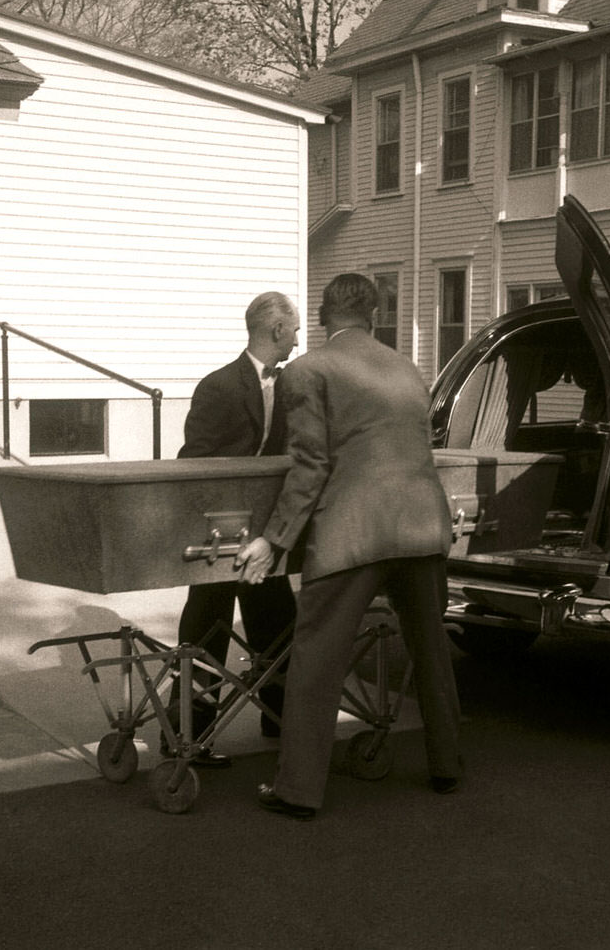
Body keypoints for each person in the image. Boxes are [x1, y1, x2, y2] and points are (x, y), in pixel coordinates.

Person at [236, 273, 464, 819]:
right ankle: (447, 766)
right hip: (421, 528)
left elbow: (311, 465)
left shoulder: (309, 370)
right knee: (432, 651)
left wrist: (274, 537)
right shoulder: (408, 369)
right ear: (376, 316)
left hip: (355, 531)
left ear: (321, 315)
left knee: (316, 662)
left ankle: (297, 791)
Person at [169, 291, 300, 768]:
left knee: (280, 625)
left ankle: (281, 719)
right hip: (217, 534)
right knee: (207, 629)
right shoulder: (218, 386)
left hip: (265, 533)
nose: (298, 339)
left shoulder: (290, 386)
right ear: (276, 330)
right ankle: (186, 734)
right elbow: (193, 462)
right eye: (295, 330)